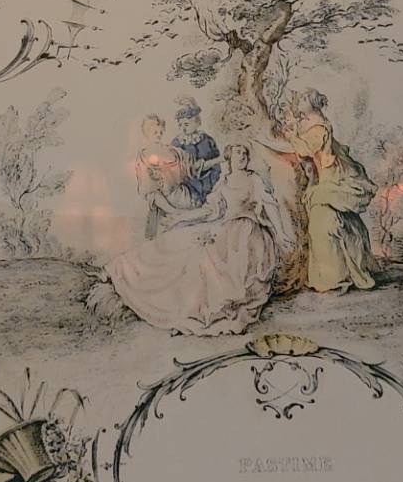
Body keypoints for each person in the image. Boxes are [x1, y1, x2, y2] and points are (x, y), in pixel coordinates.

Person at [96, 143, 293, 335]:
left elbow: (270, 205)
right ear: (229, 158)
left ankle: (217, 306)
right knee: (182, 243)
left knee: (211, 257)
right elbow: (209, 210)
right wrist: (181, 218)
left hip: (246, 232)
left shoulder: (254, 180)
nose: (242, 156)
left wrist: (281, 233)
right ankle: (122, 272)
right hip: (222, 227)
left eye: (244, 153)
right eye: (237, 153)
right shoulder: (223, 183)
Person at [287, 90, 377, 293]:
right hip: (327, 178)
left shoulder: (318, 127)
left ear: (311, 103)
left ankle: (333, 278)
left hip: (332, 179)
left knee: (322, 225)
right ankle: (346, 270)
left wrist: (291, 136)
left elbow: (304, 149)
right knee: (335, 222)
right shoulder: (314, 124)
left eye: (303, 99)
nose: (298, 102)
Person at [170, 99, 222, 205]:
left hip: (209, 181)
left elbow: (216, 162)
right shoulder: (177, 143)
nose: (183, 128)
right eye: (180, 125)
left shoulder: (207, 140)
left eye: (186, 124)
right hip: (187, 185)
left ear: (197, 122)